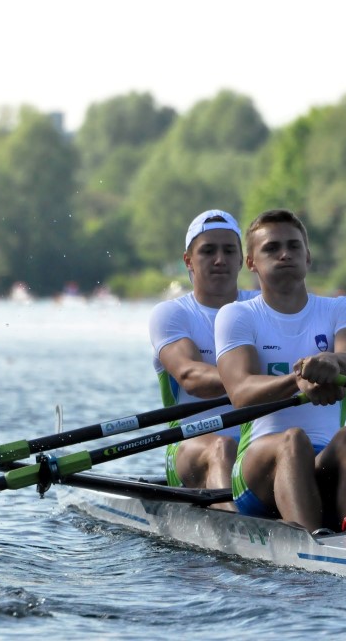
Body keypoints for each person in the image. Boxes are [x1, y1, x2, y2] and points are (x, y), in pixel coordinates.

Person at [214, 208, 346, 533]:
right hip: (257, 470)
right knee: (293, 439)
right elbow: (241, 393)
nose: (285, 254)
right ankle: (309, 543)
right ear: (251, 262)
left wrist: (332, 362)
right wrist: (297, 381)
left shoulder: (344, 309)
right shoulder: (237, 315)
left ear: (308, 257)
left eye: (293, 246)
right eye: (272, 248)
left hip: (325, 462)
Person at [149, 209, 258, 508]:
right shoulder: (173, 314)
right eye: (208, 251)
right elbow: (192, 378)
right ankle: (237, 528)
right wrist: (263, 380)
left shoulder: (261, 307)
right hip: (190, 448)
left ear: (242, 259)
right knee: (222, 446)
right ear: (188, 260)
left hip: (256, 447)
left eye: (229, 251)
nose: (220, 259)